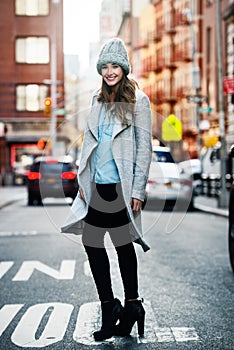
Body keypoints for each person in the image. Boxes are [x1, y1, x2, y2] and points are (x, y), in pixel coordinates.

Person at [61, 37, 152, 341]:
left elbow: (144, 148)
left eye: (115, 66)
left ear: (124, 68)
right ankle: (111, 306)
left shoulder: (139, 100)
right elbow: (89, 142)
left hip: (121, 188)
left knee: (123, 245)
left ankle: (131, 304)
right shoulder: (96, 100)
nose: (110, 71)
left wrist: (138, 189)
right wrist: (81, 179)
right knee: (93, 243)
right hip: (97, 186)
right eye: (105, 66)